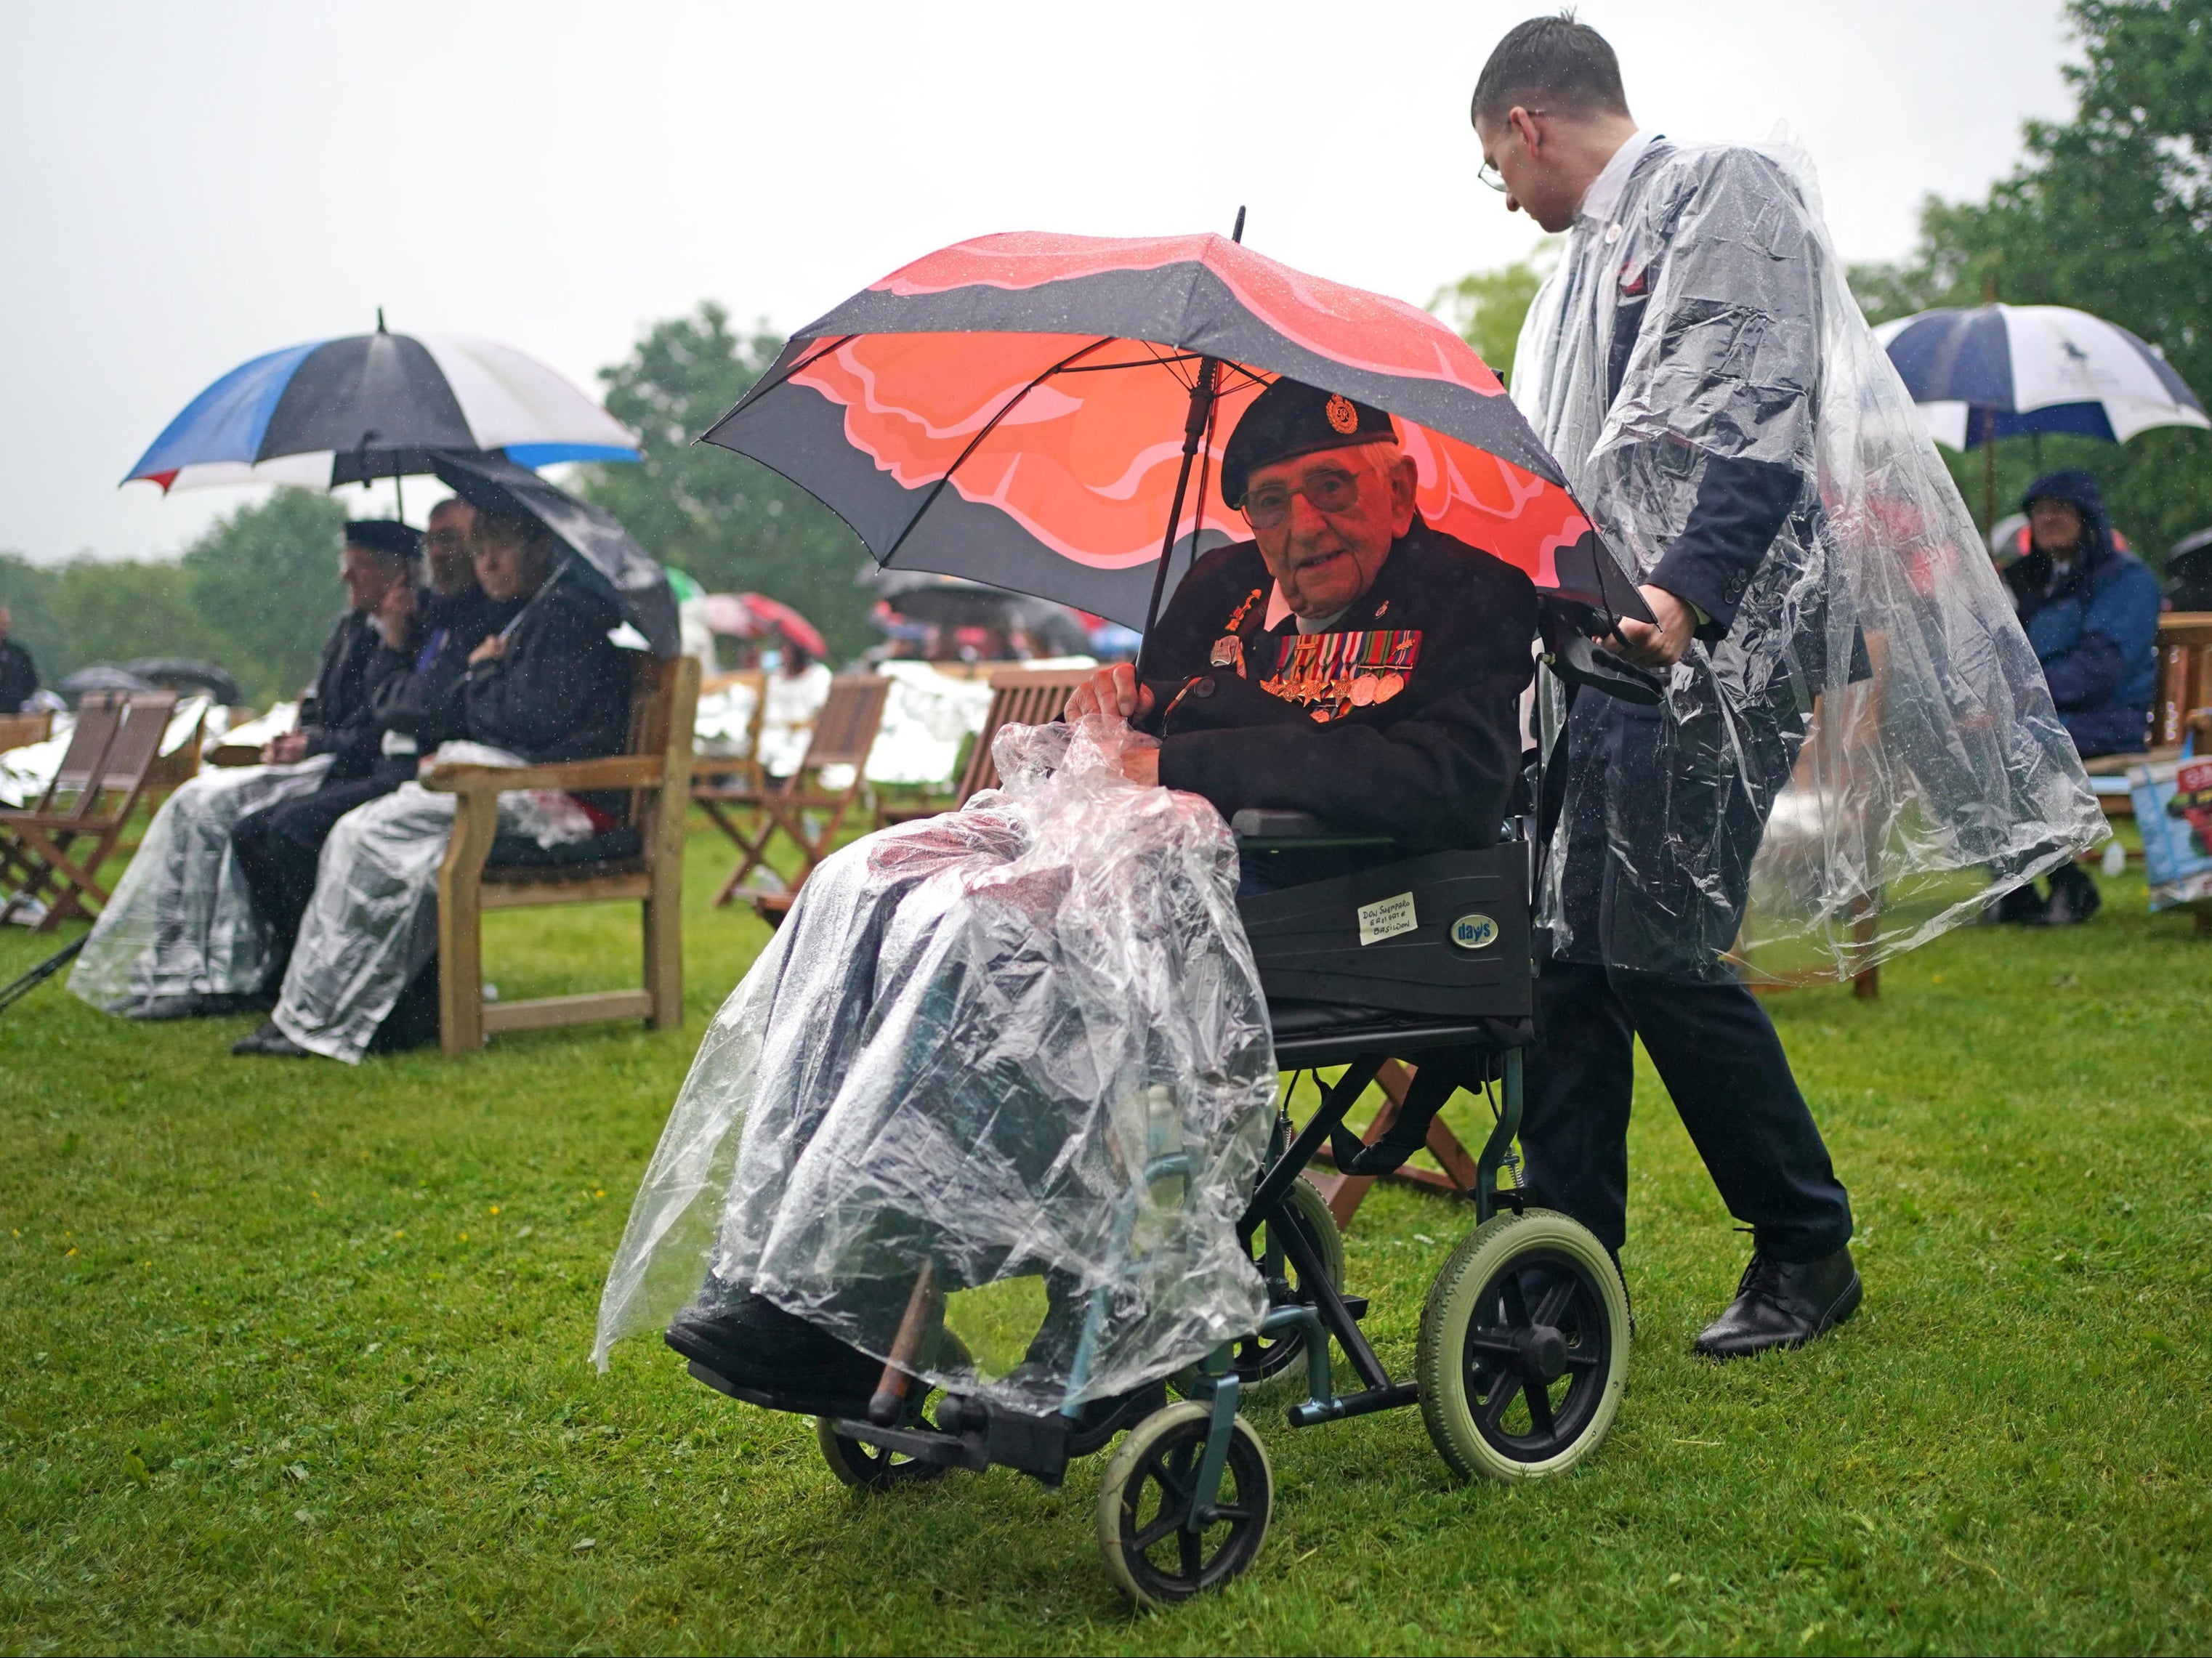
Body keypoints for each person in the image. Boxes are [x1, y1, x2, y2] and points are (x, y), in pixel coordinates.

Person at [612, 379, 1538, 1404]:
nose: (1303, 525)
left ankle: (897, 1291)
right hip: (1140, 866)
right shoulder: (1216, 586)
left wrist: (1191, 766)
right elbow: (1156, 725)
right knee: (866, 885)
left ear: (1401, 487)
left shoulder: (1471, 593)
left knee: (989, 938)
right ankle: (785, 1266)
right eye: (1271, 501)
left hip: (1319, 899)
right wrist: (1123, 709)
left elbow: (1455, 782)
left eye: (1333, 488)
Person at [1472, 15, 1858, 1359]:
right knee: (1566, 956)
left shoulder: (1720, 191)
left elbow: (1756, 407)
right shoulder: (1578, 270)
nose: (1504, 196)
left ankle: (1805, 1243)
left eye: (1492, 166)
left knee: (1653, 942)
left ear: (1526, 124)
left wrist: (1680, 597)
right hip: (1609, 642)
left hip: (1712, 634)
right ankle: (1564, 1258)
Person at [233, 502, 635, 1061]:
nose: (488, 563)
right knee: (361, 832)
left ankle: (350, 1015)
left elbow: (519, 720)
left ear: (541, 549)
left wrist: (487, 670)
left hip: (564, 802)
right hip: (510, 784)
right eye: (481, 550)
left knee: (369, 836)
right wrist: (484, 678)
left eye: (502, 548)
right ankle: (326, 1009)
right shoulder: (533, 616)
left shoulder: (564, 619)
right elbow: (484, 715)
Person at [67, 519, 426, 1019]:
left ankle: (229, 972)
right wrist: (297, 737)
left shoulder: (410, 631)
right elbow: (321, 708)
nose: (346, 576)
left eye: (359, 565)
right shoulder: (347, 628)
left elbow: (382, 729)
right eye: (346, 562)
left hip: (352, 771)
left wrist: (317, 740)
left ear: (397, 574)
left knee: (222, 815)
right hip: (320, 762)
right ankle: (180, 966)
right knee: (194, 802)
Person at [228, 498, 493, 984]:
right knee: (254, 831)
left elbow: (413, 708)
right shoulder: (425, 615)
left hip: (430, 774)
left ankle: (342, 974)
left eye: (451, 540)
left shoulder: (475, 617)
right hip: (390, 767)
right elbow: (384, 703)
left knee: (294, 830)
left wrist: (394, 645)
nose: (439, 553)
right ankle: (295, 967)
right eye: (433, 540)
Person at [1986, 470, 2161, 925]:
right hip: (2046, 718)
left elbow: (2100, 668)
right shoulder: (2032, 580)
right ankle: (2015, 888)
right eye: (2039, 509)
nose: (2047, 518)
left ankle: (2066, 884)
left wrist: (2021, 701)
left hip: (2106, 721)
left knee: (2007, 748)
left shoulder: (2126, 579)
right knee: (1960, 741)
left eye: (2059, 508)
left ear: (2088, 517)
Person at [0, 608, 38, 713]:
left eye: (6, 624)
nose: (3, 628)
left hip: (12, 715)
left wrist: (16, 699)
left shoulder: (18, 654)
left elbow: (31, 682)